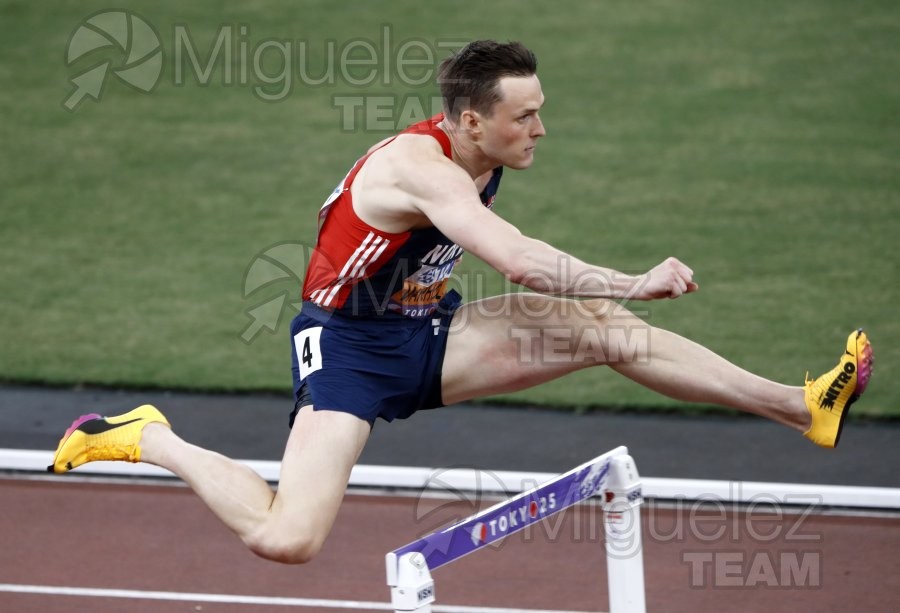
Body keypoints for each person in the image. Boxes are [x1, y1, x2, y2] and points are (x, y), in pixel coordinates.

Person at [48, 40, 873, 564]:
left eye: (541, 111)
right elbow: (516, 260)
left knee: (611, 335)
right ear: (472, 122)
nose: (541, 130)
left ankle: (804, 407)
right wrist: (631, 276)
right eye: (526, 118)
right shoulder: (424, 168)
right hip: (348, 351)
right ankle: (147, 436)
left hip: (430, 331)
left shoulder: (481, 153)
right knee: (287, 538)